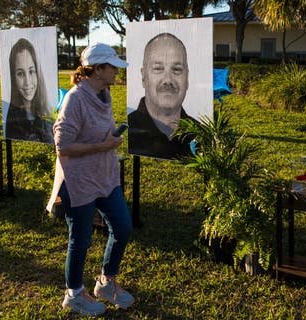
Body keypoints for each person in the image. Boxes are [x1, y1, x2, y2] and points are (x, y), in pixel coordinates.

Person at [45, 43, 134, 316]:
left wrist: (107, 144)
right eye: (113, 67)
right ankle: (73, 294)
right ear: (97, 70)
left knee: (122, 227)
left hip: (104, 177)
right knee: (81, 240)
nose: (117, 72)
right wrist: (103, 146)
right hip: (79, 180)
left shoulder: (103, 94)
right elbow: (63, 146)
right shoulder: (75, 98)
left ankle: (106, 283)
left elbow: (98, 135)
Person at [128, 32, 196, 160]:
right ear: (144, 76)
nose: (167, 80)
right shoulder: (131, 128)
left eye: (177, 69)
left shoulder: (201, 133)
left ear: (187, 77)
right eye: (158, 69)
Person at [5, 38, 53, 143]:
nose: (28, 82)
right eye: (20, 73)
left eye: (31, 71)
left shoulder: (49, 118)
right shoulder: (12, 123)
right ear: (13, 77)